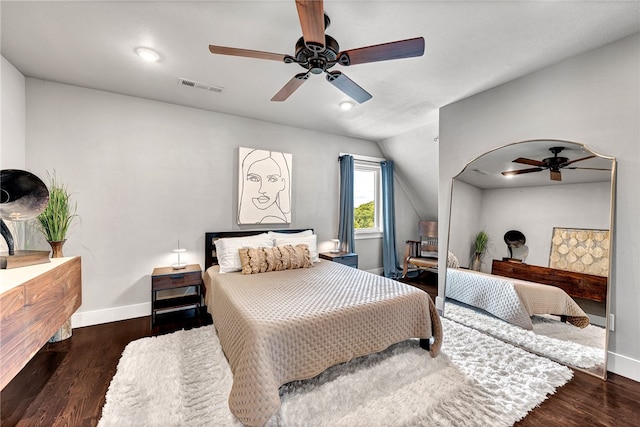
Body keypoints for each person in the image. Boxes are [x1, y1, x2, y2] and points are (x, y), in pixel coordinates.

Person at [238, 149, 291, 224]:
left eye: (272, 179)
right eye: (254, 179)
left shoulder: (275, 219)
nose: (262, 189)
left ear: (282, 184)